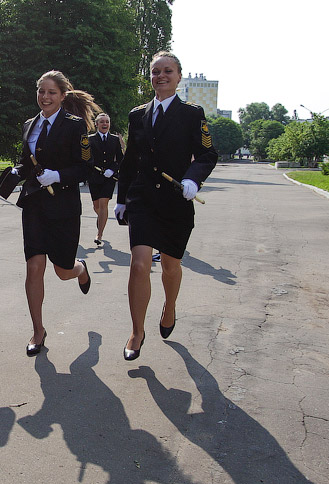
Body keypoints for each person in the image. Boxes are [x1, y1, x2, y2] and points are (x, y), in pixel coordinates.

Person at [115, 51, 218, 360]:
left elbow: (207, 155)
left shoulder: (192, 113)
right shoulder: (138, 115)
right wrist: (122, 200)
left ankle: (169, 306)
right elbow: (131, 160)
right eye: (155, 71)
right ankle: (137, 331)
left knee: (171, 266)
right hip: (143, 199)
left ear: (178, 77)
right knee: (140, 263)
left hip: (175, 202)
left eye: (167, 71)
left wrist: (193, 180)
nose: (160, 76)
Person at [11, 70, 98, 356]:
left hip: (63, 207)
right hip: (35, 205)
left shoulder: (75, 127)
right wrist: (16, 172)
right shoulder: (28, 125)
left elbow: (86, 168)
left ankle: (80, 269)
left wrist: (59, 175)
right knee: (34, 266)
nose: (44, 97)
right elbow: (28, 161)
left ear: (62, 96)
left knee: (62, 271)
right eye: (41, 91)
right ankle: (38, 330)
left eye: (51, 92)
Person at [87, 112, 123, 246]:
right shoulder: (90, 139)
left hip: (109, 178)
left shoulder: (114, 140)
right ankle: (102, 218)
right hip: (94, 177)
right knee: (97, 206)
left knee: (103, 204)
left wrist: (112, 169)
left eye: (107, 122)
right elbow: (86, 158)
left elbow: (120, 159)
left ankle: (99, 234)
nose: (105, 124)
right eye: (102, 122)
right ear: (96, 124)